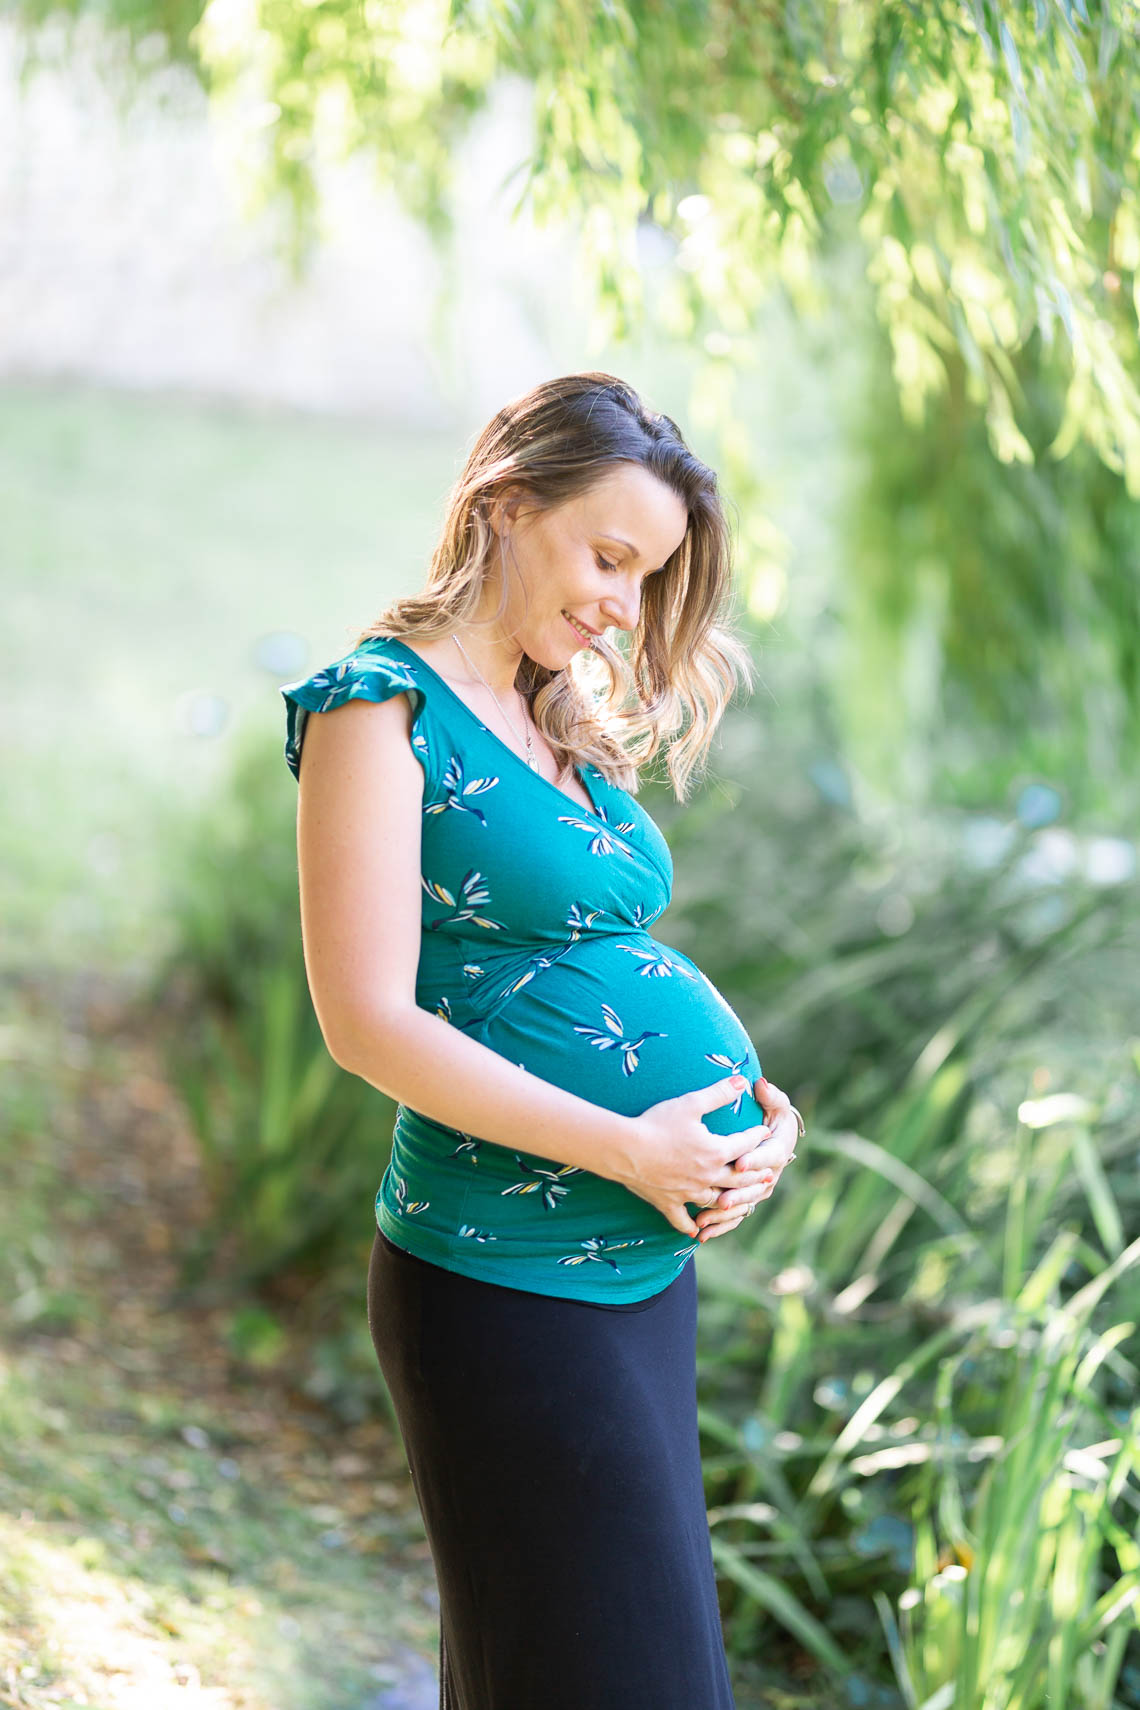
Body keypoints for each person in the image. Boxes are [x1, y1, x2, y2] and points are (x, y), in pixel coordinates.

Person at [281, 372, 804, 1710]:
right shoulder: (378, 710)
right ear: (506, 503)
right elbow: (367, 1022)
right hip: (501, 1280)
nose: (624, 608)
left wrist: (751, 1117)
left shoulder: (558, 714)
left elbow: (584, 964)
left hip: (635, 1270)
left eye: (649, 578)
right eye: (609, 557)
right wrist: (633, 1140)